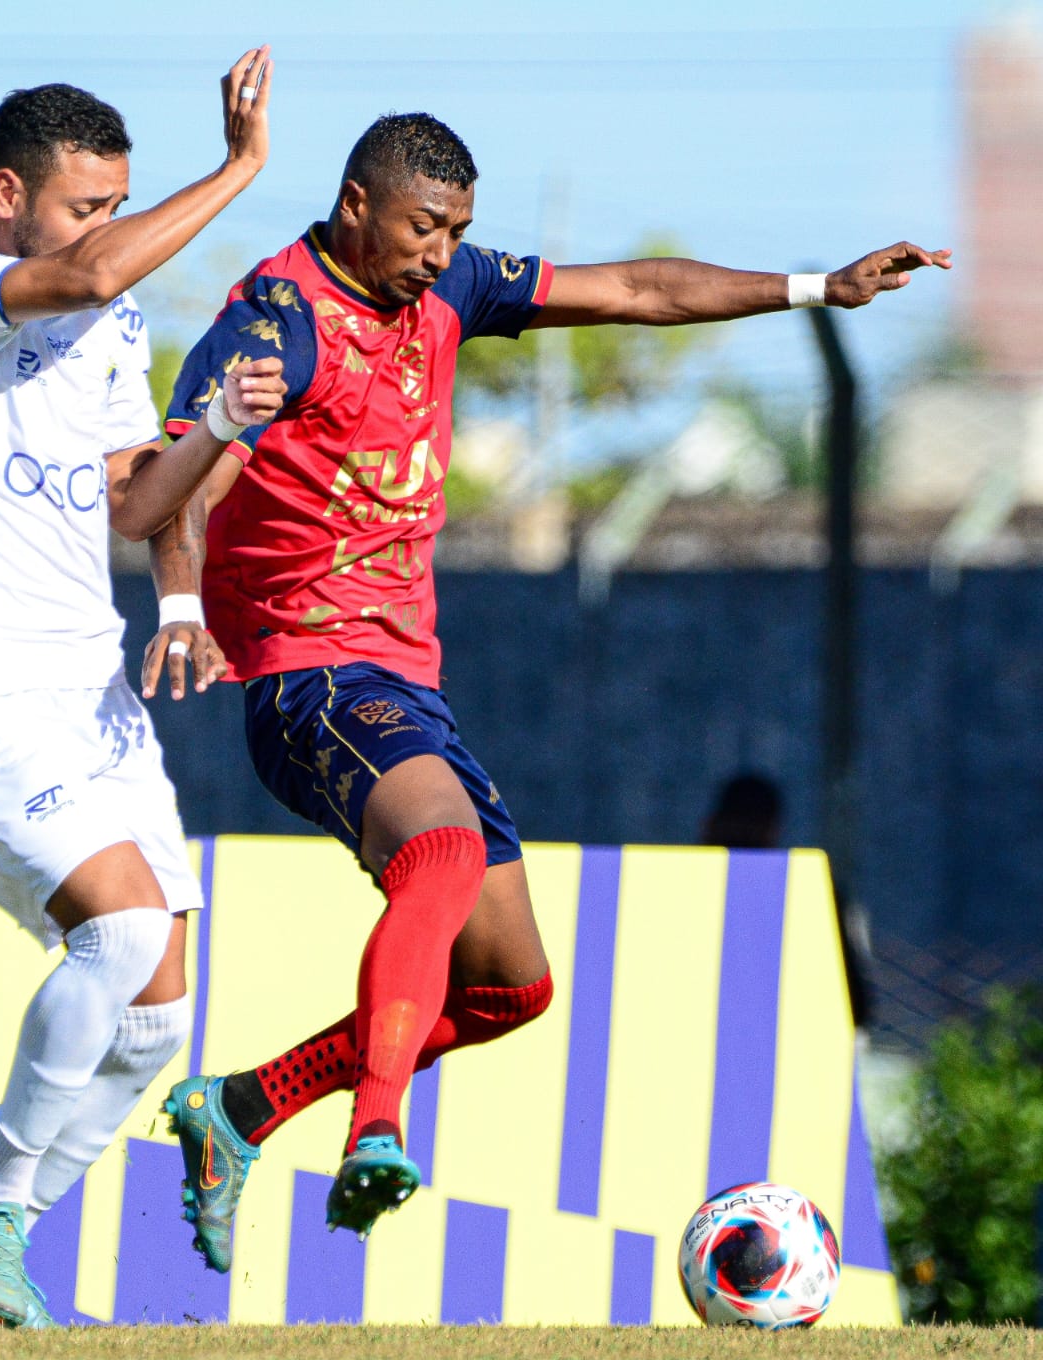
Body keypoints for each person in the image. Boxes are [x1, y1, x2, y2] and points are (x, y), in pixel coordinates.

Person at [159, 111, 949, 1268]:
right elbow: (171, 470)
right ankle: (375, 1125)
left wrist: (815, 286)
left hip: (405, 686)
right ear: (355, 205)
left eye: (458, 232)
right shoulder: (278, 321)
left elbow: (638, 290)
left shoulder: (450, 293)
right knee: (439, 856)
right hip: (308, 675)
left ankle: (238, 1109)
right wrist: (183, 601)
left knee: (507, 990)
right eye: (425, 228)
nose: (441, 253)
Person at [0, 57, 287, 1327]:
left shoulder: (112, 324)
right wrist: (239, 171)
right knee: (110, 935)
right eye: (83, 205)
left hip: (92, 697)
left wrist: (213, 431)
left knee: (159, 1015)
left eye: (116, 202)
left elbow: (134, 499)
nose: (104, 230)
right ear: (9, 193)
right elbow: (92, 275)